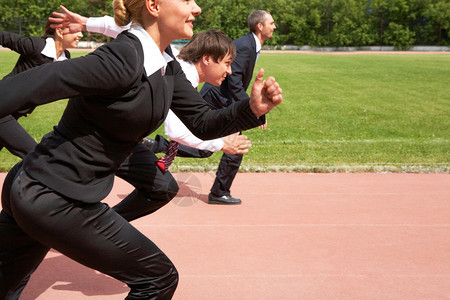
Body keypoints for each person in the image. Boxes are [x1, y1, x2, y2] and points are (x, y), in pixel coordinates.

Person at [0, 1, 282, 299]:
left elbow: (202, 122)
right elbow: (20, 89)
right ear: (153, 5)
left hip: (45, 191)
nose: (197, 8)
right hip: (53, 196)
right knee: (158, 278)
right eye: (186, 0)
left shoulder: (165, 64)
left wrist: (250, 109)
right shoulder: (121, 59)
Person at [49, 7, 252, 160]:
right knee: (160, 186)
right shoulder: (178, 73)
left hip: (110, 137)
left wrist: (86, 23)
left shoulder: (168, 54)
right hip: (96, 142)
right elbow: (177, 131)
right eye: (227, 63)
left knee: (162, 187)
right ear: (207, 59)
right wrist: (220, 143)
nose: (230, 71)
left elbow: (132, 28)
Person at [200, 10, 276, 205]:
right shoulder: (245, 46)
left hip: (224, 98)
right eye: (272, 23)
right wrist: (252, 110)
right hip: (217, 98)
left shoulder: (251, 44)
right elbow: (234, 82)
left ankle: (219, 191)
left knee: (227, 145)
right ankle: (159, 148)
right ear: (260, 26)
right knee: (209, 144)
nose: (274, 27)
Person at [0, 15, 83, 159]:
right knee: (35, 155)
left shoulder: (65, 59)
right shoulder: (37, 46)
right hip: (2, 110)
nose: (80, 35)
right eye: (76, 30)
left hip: (13, 113)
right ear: (59, 31)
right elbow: (4, 37)